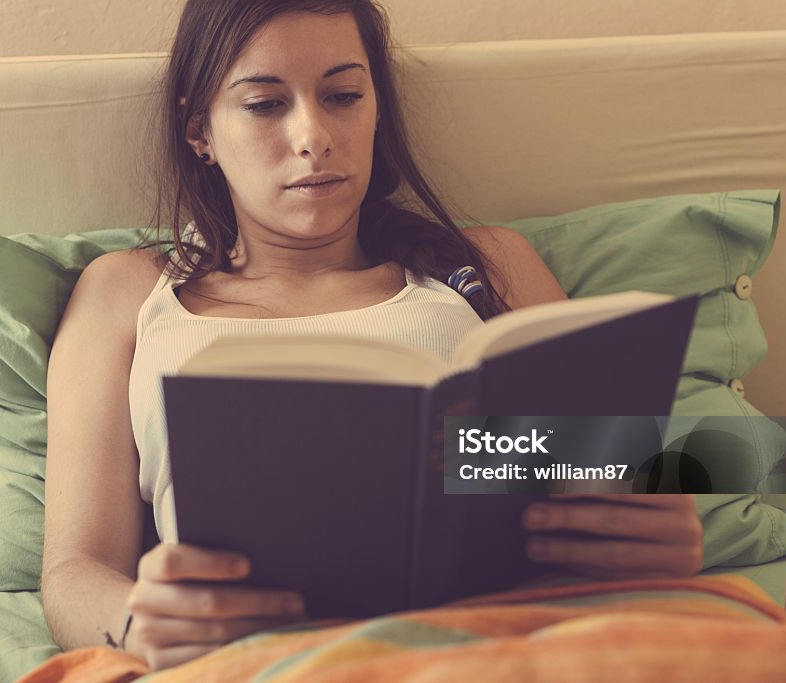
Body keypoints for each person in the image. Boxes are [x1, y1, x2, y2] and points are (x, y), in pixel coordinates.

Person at [41, 0, 704, 672]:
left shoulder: (486, 266)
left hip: (491, 648)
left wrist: (661, 527)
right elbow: (72, 570)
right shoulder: (128, 292)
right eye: (265, 104)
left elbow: (623, 482)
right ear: (199, 130)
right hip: (256, 660)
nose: (314, 135)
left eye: (343, 95)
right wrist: (136, 622)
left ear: (376, 108)